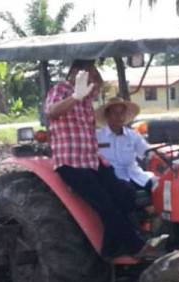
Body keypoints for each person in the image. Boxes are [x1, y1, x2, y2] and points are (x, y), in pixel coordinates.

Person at [44, 59, 148, 258]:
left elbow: (98, 84)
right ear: (73, 72)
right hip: (71, 163)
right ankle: (137, 248)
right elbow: (52, 112)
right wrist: (75, 95)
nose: (90, 76)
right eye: (85, 72)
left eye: (91, 72)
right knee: (106, 205)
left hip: (91, 160)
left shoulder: (87, 96)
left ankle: (110, 250)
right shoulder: (62, 90)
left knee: (125, 193)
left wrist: (93, 66)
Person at [95, 97, 155, 191]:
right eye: (115, 113)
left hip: (136, 175)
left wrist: (163, 156)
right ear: (107, 115)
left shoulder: (133, 135)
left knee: (160, 185)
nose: (119, 116)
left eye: (122, 112)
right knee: (126, 191)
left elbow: (148, 152)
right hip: (112, 179)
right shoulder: (97, 136)